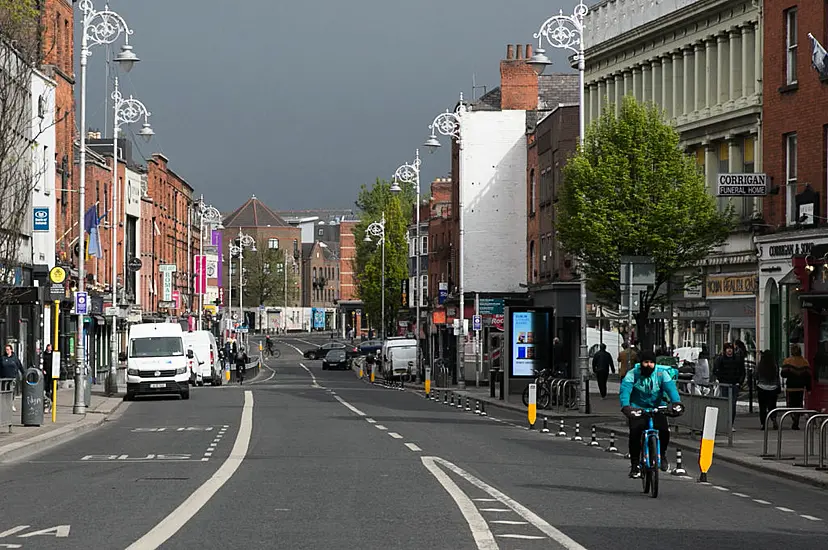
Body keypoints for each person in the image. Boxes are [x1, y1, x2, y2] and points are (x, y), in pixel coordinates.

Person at [620, 350, 681, 479]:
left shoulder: (661, 373)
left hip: (657, 407)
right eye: (646, 362)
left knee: (664, 430)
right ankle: (635, 465)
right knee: (635, 433)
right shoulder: (633, 374)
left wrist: (676, 403)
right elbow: (625, 390)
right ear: (641, 363)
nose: (649, 365)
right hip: (637, 408)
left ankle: (662, 455)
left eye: (651, 362)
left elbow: (671, 389)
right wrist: (626, 406)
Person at [712, 342, 745, 424]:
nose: (729, 350)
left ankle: (731, 423)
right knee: (725, 404)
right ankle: (725, 422)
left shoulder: (737, 359)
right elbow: (716, 370)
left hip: (734, 384)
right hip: (724, 384)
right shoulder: (720, 359)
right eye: (728, 349)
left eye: (731, 349)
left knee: (733, 404)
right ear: (725, 350)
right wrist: (720, 380)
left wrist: (739, 382)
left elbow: (742, 371)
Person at [781, 344, 812, 430]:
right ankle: (796, 420)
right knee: (798, 404)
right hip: (800, 387)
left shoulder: (787, 361)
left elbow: (783, 374)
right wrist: (809, 388)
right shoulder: (804, 362)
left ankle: (793, 417)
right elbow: (808, 376)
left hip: (791, 387)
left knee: (791, 404)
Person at [755, 349, 781, 430]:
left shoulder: (760, 365)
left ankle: (763, 423)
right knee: (772, 406)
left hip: (762, 387)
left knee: (762, 407)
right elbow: (777, 377)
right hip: (773, 388)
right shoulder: (774, 365)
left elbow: (756, 375)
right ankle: (773, 418)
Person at [1, 344, 25, 411]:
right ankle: (5, 404)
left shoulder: (15, 358)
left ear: (11, 350)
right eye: (6, 350)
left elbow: (20, 366)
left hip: (13, 378)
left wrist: (24, 374)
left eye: (8, 349)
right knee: (4, 392)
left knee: (11, 391)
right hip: (4, 378)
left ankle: (11, 404)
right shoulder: (3, 358)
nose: (7, 351)